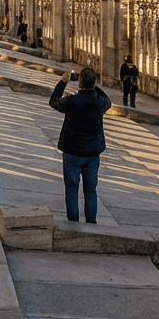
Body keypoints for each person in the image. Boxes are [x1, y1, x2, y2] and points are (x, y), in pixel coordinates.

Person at [49, 68, 111, 224]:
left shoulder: (72, 101)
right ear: (94, 83)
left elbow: (54, 101)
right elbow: (108, 100)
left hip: (72, 152)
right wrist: (93, 85)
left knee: (71, 190)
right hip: (92, 154)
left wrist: (63, 82)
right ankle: (91, 222)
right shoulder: (100, 103)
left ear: (79, 83)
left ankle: (73, 222)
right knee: (90, 191)